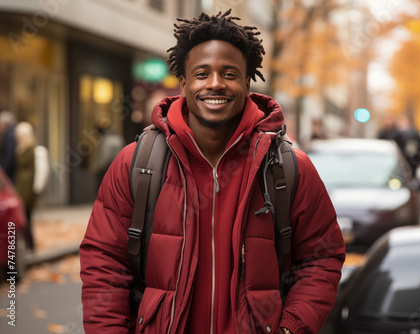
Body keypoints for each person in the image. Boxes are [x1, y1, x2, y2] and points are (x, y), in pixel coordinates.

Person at [80, 10, 345, 334]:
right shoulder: (137, 163)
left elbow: (323, 257)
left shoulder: (289, 168)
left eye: (229, 73)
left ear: (247, 83)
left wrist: (291, 328)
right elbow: (104, 264)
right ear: (184, 82)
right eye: (202, 73)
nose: (215, 83)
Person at [14, 122, 38, 250]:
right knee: (24, 219)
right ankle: (28, 245)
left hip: (28, 187)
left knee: (27, 218)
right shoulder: (20, 148)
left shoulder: (32, 150)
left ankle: (30, 245)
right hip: (21, 185)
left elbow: (37, 171)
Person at [0, 110, 17, 182]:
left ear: (5, 124)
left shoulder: (10, 136)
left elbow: (9, 156)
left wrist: (3, 171)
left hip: (10, 174)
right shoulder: (10, 134)